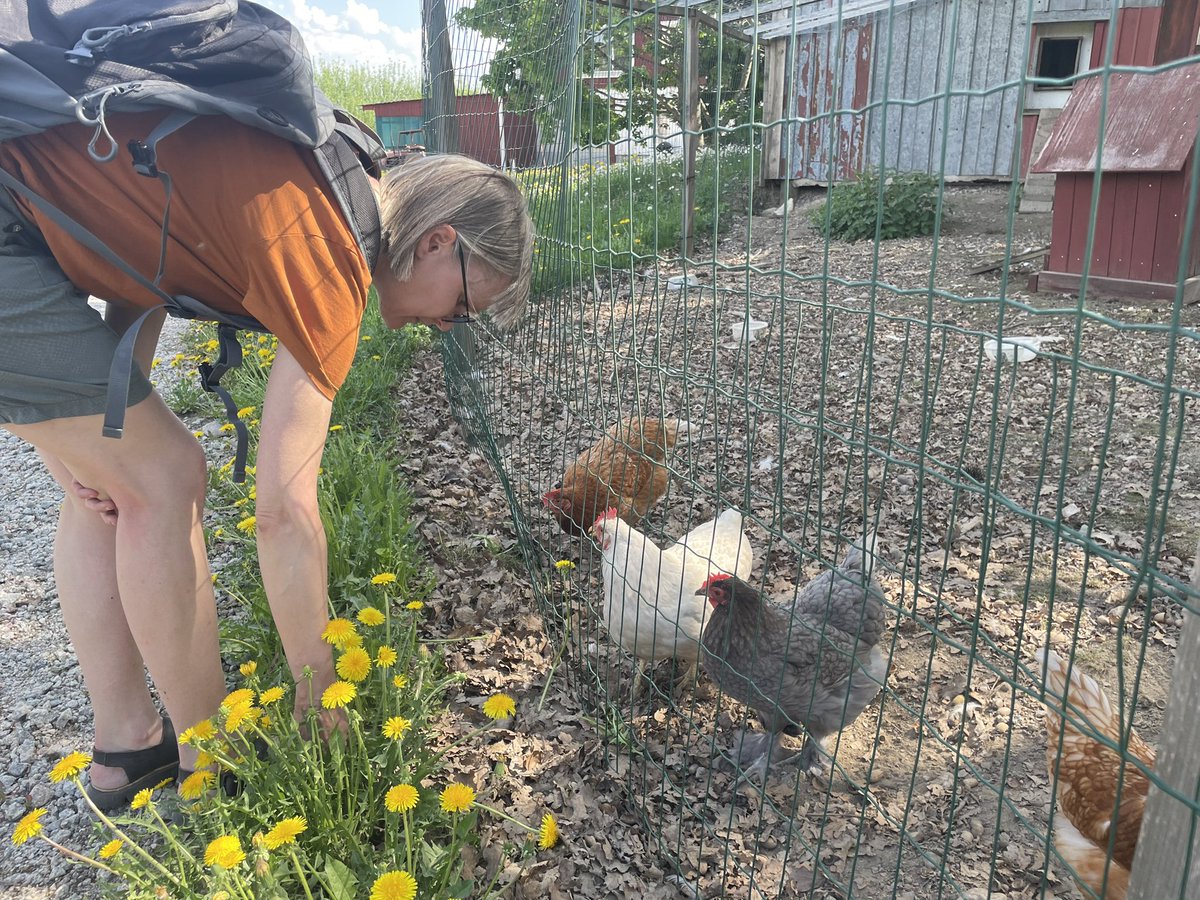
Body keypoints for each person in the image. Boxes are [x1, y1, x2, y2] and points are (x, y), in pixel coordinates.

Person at [0, 111, 533, 808]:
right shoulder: (334, 250)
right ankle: (211, 762)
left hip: (18, 222)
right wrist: (319, 697)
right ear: (438, 241)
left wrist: (85, 432)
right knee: (163, 477)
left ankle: (128, 746)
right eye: (462, 306)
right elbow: (283, 513)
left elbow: (143, 259)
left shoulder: (320, 179)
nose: (446, 328)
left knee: (119, 479)